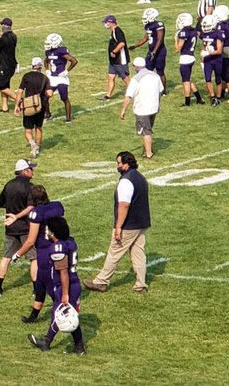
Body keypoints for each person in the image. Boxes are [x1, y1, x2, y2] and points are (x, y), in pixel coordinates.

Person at [85, 151, 151, 294]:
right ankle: (141, 284)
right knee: (138, 253)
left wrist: (118, 227)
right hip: (142, 222)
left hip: (129, 225)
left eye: (119, 163)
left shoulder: (126, 181)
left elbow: (124, 205)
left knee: (114, 252)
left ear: (126, 164)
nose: (117, 166)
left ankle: (101, 282)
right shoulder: (140, 177)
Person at [26, 216, 86, 355]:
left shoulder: (58, 248)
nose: (46, 231)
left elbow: (63, 272)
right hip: (71, 284)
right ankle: (79, 347)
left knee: (58, 313)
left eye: (48, 229)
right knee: (69, 315)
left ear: (54, 232)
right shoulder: (69, 242)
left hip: (67, 285)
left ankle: (47, 341)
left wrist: (65, 293)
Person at [9, 185, 63, 326]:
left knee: (49, 285)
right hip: (58, 247)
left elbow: (30, 241)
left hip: (45, 252)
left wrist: (17, 254)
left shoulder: (36, 213)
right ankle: (34, 315)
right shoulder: (57, 206)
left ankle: (64, 309)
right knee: (40, 283)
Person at [0, 159, 35, 298]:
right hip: (25, 227)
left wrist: (12, 207)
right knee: (34, 259)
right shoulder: (30, 187)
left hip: (10, 227)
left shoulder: (9, 185)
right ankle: (36, 289)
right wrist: (17, 215)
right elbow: (30, 208)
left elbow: (0, 203)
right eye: (30, 169)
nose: (32, 171)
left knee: (6, 257)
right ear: (25, 171)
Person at [120, 58, 164, 158]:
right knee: (147, 129)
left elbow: (129, 96)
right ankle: (146, 150)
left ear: (135, 67)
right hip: (154, 107)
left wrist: (123, 110)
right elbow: (160, 91)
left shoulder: (136, 79)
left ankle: (148, 153)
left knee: (145, 132)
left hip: (143, 109)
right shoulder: (155, 75)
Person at [15, 58, 53, 157]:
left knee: (28, 129)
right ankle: (37, 147)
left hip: (28, 106)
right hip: (40, 105)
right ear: (40, 66)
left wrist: (17, 106)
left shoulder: (26, 76)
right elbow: (50, 93)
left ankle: (32, 144)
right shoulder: (45, 78)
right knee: (38, 127)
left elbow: (19, 92)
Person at [44, 34, 77, 124]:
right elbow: (46, 60)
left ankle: (68, 119)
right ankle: (48, 114)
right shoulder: (48, 51)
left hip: (61, 78)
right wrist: (47, 69)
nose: (47, 45)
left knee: (64, 97)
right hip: (52, 78)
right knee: (45, 97)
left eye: (49, 43)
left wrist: (66, 71)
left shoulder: (62, 51)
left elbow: (74, 61)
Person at [131, 8, 167, 90]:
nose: (144, 20)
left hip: (159, 51)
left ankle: (163, 91)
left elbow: (160, 39)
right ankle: (149, 86)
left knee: (160, 71)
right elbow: (145, 38)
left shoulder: (159, 25)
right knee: (147, 69)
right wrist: (135, 46)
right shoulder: (149, 26)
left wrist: (155, 50)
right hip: (151, 51)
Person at [175, 13, 205, 106]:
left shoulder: (183, 32)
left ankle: (187, 102)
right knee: (188, 79)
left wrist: (176, 39)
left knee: (186, 81)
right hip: (191, 57)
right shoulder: (193, 30)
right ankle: (199, 98)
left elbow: (178, 48)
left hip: (185, 58)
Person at [0, 17, 18, 112]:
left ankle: (19, 100)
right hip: (12, 64)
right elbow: (6, 42)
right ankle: (5, 107)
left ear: (6, 25)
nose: (1, 26)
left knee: (1, 86)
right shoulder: (13, 36)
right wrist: (0, 37)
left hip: (5, 65)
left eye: (2, 24)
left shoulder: (4, 38)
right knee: (5, 85)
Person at [200, 15, 225, 106]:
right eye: (204, 26)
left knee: (218, 80)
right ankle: (212, 97)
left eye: (207, 26)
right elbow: (204, 46)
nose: (205, 28)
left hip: (216, 60)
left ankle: (218, 98)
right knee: (207, 79)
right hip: (207, 61)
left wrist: (208, 53)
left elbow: (219, 51)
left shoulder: (218, 34)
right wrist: (202, 59)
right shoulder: (204, 34)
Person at [102, 15, 130, 100]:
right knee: (111, 77)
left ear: (111, 23)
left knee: (125, 78)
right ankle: (108, 96)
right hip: (113, 61)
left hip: (119, 60)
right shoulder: (113, 31)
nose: (105, 24)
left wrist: (114, 51)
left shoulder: (117, 31)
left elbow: (122, 43)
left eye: (106, 22)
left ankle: (136, 93)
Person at [215, 5, 229, 100]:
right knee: (223, 72)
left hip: (225, 49)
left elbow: (220, 37)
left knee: (226, 73)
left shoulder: (220, 26)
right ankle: (223, 92)